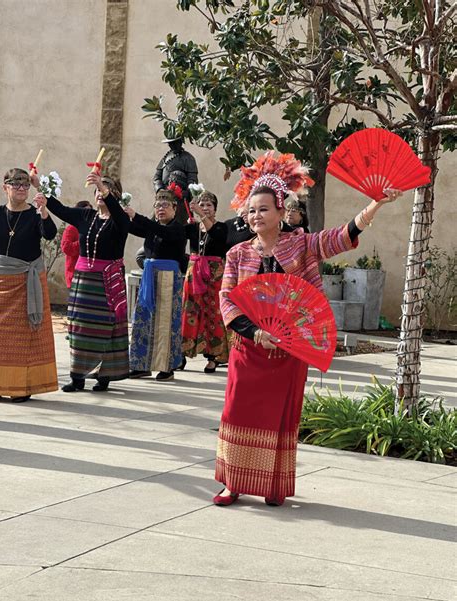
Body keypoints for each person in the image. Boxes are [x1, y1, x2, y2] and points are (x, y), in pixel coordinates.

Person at [213, 151, 402, 507]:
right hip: (248, 348)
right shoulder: (237, 254)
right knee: (236, 411)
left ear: (281, 211)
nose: (256, 216)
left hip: (287, 351)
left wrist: (374, 204)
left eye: (264, 209)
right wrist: (254, 331)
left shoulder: (301, 244)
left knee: (279, 417)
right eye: (251, 210)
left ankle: (272, 484)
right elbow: (228, 298)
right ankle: (232, 483)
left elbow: (340, 237)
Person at [33, 172, 130, 393]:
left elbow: (121, 218)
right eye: (97, 190)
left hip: (108, 282)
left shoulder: (120, 220)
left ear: (115, 196)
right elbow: (60, 209)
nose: (100, 194)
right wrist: (39, 186)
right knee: (79, 328)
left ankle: (103, 375)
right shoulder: (86, 216)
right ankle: (77, 377)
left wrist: (106, 190)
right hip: (83, 282)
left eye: (106, 191)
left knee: (105, 327)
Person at [0, 167, 58, 402]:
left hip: (27, 282)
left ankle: (21, 387)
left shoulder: (35, 214)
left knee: (25, 337)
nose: (21, 189)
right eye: (16, 185)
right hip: (0, 282)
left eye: (25, 185)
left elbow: (50, 233)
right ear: (5, 187)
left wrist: (44, 212)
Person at [127, 189, 186, 382]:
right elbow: (127, 225)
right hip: (149, 278)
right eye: (158, 205)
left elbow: (161, 231)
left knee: (165, 323)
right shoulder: (152, 228)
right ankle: (140, 365)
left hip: (169, 278)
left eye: (165, 205)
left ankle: (167, 366)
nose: (161, 209)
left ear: (174, 209)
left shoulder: (177, 228)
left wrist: (136, 216)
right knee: (143, 320)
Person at [182, 191, 228, 373]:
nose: (205, 208)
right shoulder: (192, 227)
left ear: (215, 209)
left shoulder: (221, 227)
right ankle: (183, 353)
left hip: (213, 275)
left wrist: (200, 214)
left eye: (209, 205)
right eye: (202, 204)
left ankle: (213, 356)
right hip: (194, 273)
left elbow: (216, 236)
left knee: (212, 312)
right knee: (190, 311)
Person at [153, 136, 198, 225]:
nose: (172, 145)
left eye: (175, 143)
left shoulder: (188, 158)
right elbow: (157, 177)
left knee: (180, 223)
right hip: (164, 196)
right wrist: (159, 189)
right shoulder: (166, 157)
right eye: (170, 143)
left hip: (180, 199)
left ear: (180, 142)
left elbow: (192, 179)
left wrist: (186, 192)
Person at [60, 200, 93, 288]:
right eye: (85, 212)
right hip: (75, 275)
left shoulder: (93, 228)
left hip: (91, 276)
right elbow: (66, 248)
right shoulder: (71, 228)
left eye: (90, 213)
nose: (88, 215)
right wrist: (83, 242)